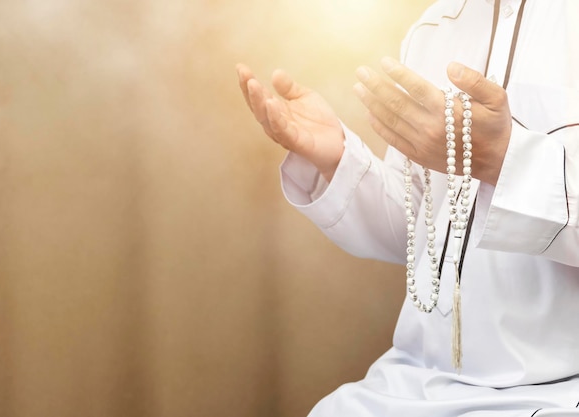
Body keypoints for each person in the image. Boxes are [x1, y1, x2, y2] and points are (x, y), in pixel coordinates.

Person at [236, 0, 579, 416]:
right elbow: (419, 232)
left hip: (557, 392)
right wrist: (335, 159)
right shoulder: (432, 29)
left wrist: (503, 159)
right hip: (417, 382)